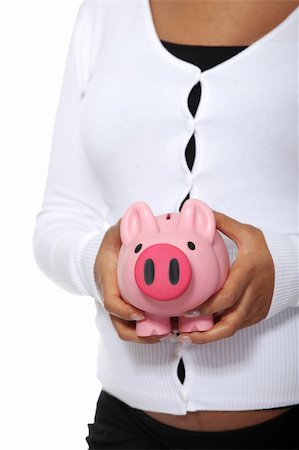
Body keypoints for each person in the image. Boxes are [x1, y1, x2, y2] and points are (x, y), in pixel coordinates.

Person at [32, 1, 299, 449]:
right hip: (126, 427)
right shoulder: (104, 12)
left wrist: (285, 273)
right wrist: (99, 266)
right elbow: (60, 217)